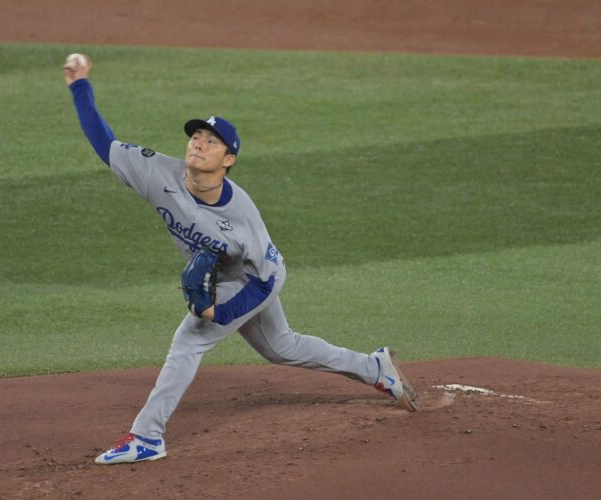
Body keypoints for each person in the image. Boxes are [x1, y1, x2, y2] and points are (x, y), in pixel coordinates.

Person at [63, 54, 419, 465]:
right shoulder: (158, 173)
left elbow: (268, 282)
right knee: (281, 346)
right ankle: (375, 368)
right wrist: (80, 85)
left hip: (254, 279)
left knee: (190, 339)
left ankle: (147, 436)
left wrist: (218, 311)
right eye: (195, 136)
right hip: (224, 275)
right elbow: (103, 141)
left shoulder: (242, 220)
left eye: (211, 141)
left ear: (228, 159)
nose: (198, 143)